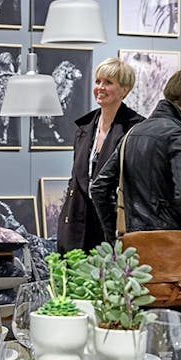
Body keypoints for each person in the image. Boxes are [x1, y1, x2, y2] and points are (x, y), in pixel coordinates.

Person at [89, 69, 181, 333]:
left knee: (138, 333)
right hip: (172, 253)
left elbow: (99, 188)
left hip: (134, 252)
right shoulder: (179, 133)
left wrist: (116, 236)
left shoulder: (133, 133)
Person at [57, 57, 144, 253]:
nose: (100, 87)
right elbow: (76, 178)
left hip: (113, 223)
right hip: (77, 221)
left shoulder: (136, 129)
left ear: (125, 90)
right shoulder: (85, 127)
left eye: (108, 82)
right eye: (98, 81)